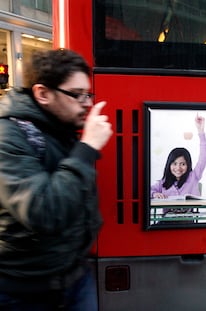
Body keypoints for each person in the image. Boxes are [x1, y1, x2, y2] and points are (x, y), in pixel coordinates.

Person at [0, 49, 112, 310]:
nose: (87, 103)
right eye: (77, 94)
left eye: (88, 94)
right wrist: (87, 148)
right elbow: (44, 211)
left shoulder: (61, 128)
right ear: (43, 94)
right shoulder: (8, 137)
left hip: (74, 277)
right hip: (23, 292)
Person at [151, 114, 206, 199]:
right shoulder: (162, 183)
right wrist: (154, 194)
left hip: (190, 213)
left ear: (188, 165)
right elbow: (145, 191)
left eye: (183, 164)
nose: (178, 168)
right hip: (168, 213)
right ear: (169, 165)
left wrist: (201, 131)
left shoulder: (194, 177)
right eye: (174, 163)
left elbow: (204, 158)